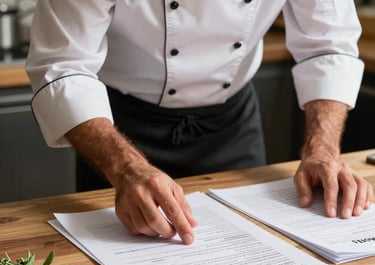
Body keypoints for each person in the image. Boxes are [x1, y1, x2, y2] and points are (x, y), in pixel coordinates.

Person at [26, 1, 373, 245]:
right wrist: (126, 169)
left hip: (231, 124)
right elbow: (63, 65)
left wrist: (322, 149)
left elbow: (327, 46)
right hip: (118, 130)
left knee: (246, 248)